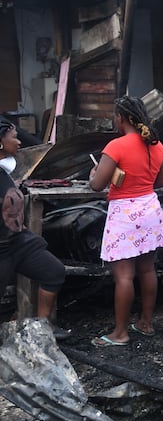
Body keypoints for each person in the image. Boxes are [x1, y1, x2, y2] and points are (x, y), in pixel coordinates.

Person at [89, 96, 163, 347]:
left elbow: (97, 185)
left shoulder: (116, 146)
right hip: (150, 210)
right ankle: (146, 323)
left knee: (124, 276)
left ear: (121, 118)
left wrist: (93, 175)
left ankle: (120, 333)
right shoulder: (157, 146)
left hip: (124, 213)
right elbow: (162, 183)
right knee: (147, 269)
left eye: (115, 116)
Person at [0, 118, 69, 340]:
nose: (19, 142)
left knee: (53, 271)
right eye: (14, 137)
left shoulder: (5, 170)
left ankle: (43, 328)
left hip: (18, 242)